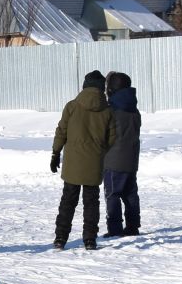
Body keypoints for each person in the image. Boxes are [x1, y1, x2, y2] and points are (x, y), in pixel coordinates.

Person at [50, 69, 117, 251]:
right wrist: (99, 152)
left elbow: (61, 131)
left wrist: (55, 153)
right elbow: (112, 138)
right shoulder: (108, 110)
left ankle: (60, 239)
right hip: (94, 164)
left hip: (73, 164)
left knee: (68, 201)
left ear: (85, 86)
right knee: (91, 203)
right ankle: (89, 240)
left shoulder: (71, 106)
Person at [102, 71, 142, 238]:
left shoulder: (111, 110)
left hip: (113, 160)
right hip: (131, 159)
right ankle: (133, 226)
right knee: (130, 194)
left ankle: (115, 229)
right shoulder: (134, 109)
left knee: (112, 194)